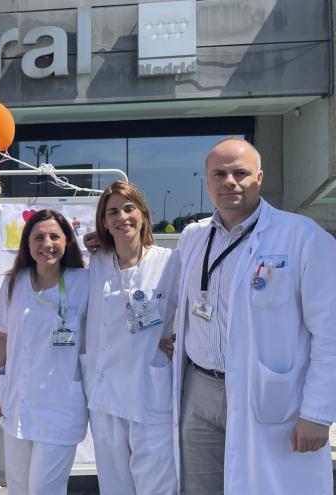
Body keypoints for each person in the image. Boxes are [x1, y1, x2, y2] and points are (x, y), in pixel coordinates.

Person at [164, 138, 336, 494]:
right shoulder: (194, 238)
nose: (229, 181)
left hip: (268, 393)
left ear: (259, 177)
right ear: (207, 182)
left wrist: (318, 414)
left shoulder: (302, 237)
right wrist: (103, 244)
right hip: (198, 389)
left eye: (240, 173)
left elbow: (330, 331)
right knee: (200, 487)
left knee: (267, 486)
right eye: (219, 174)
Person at [0, 209, 89, 495]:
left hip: (60, 407)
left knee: (45, 489)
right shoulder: (14, 283)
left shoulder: (83, 281)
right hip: (18, 402)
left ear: (67, 241)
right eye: (39, 237)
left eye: (55, 236)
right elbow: (0, 338)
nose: (47, 244)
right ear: (28, 245)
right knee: (18, 488)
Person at [82, 181, 177, 495]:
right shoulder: (95, 263)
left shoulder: (170, 261)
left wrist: (183, 342)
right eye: (113, 212)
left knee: (158, 486)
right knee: (114, 487)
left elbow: (202, 306)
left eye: (129, 208)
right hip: (105, 396)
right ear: (104, 222)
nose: (122, 217)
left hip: (149, 394)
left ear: (143, 214)